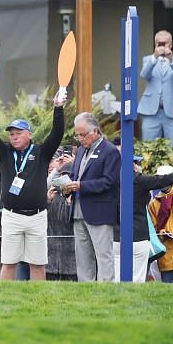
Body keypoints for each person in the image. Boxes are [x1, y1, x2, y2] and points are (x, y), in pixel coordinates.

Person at [0, 89, 69, 280]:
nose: (14, 137)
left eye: (18, 133)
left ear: (29, 134)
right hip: (11, 216)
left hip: (37, 216)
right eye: (11, 134)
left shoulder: (41, 152)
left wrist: (58, 108)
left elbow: (57, 133)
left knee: (37, 263)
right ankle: (5, 300)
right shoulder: (4, 153)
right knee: (8, 262)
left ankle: (38, 302)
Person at [60, 112, 121, 281]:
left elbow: (109, 182)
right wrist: (67, 188)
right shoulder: (80, 151)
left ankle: (106, 292)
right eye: (77, 134)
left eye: (83, 134)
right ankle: (86, 292)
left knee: (103, 256)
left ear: (95, 131)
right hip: (78, 210)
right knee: (82, 258)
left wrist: (81, 186)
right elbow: (75, 176)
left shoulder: (110, 151)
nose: (79, 138)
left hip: (100, 212)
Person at [136, 31, 173, 145]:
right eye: (159, 43)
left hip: (172, 112)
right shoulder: (148, 60)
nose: (162, 46)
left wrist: (171, 60)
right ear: (155, 44)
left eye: (165, 43)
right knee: (148, 148)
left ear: (170, 45)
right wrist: (155, 56)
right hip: (151, 111)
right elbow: (144, 74)